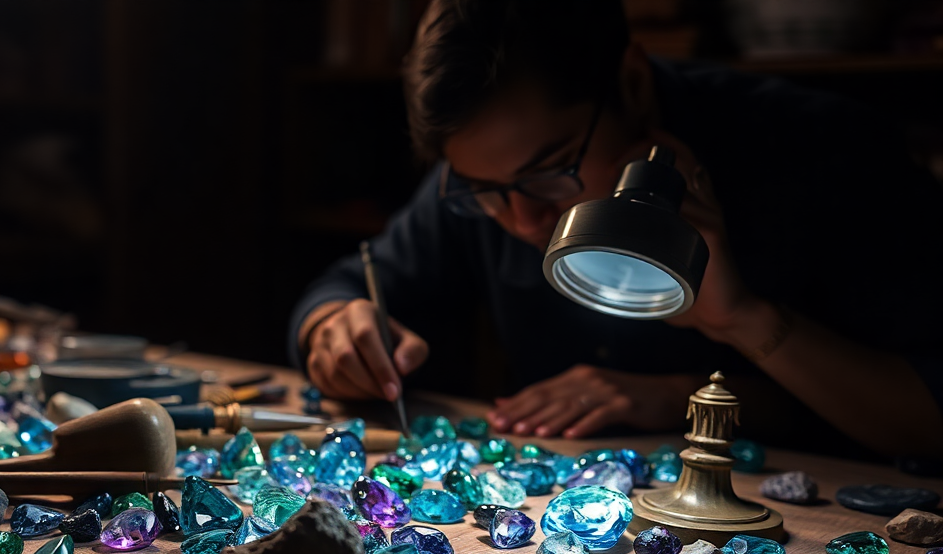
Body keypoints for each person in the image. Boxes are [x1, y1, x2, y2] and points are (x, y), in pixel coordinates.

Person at [289, 0, 943, 461]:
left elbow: (925, 419)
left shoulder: (826, 152)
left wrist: (735, 324)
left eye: (550, 173)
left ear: (630, 80)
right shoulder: (485, 183)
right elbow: (350, 283)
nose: (524, 223)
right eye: (486, 194)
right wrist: (336, 328)